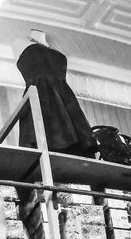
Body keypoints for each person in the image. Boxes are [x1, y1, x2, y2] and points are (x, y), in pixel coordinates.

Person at [10, 29, 98, 157]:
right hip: (39, 94)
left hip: (65, 97)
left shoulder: (51, 48)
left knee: (77, 149)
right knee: (42, 143)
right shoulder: (19, 42)